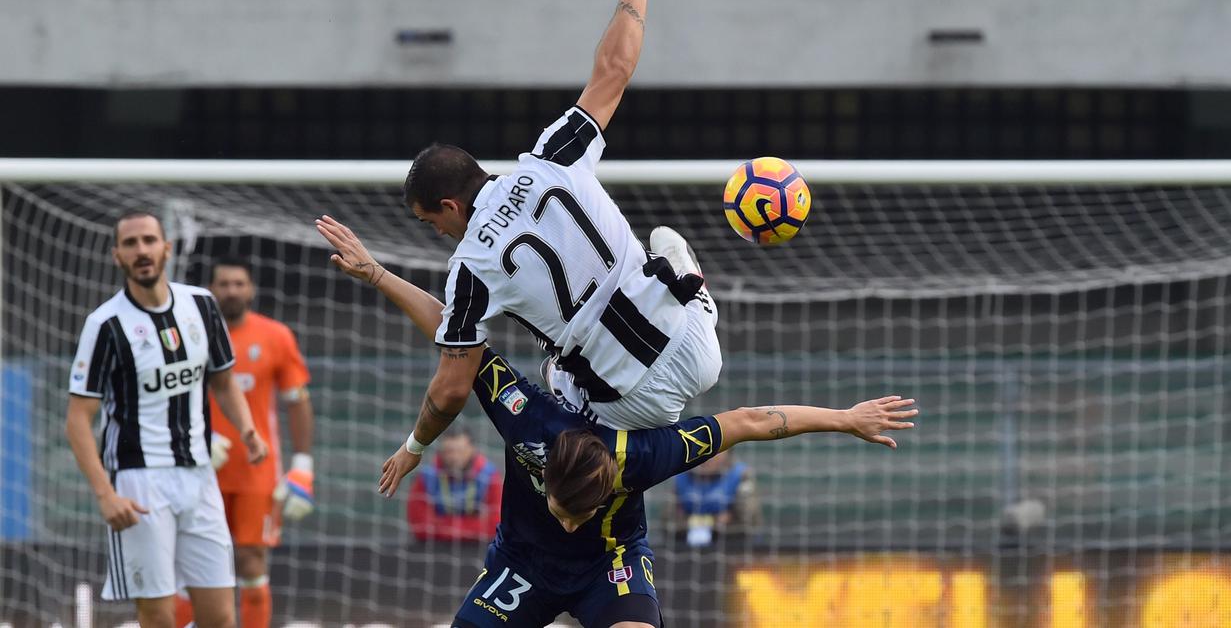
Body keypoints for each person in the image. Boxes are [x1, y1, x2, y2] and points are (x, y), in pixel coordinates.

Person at [316, 215, 919, 628]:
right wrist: (375, 272)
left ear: (609, 485)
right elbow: (455, 332)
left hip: (612, 563)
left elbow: (751, 422)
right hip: (524, 563)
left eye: (571, 512)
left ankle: (684, 294)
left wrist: (845, 418)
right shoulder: (529, 422)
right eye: (558, 503)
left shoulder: (642, 456)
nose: (565, 516)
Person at [393, 0, 720, 470]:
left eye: (432, 223)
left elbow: (452, 389)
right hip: (696, 348)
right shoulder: (553, 156)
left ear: (449, 206)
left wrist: (414, 447)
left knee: (553, 377)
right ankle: (690, 285)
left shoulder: (470, 267)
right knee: (662, 240)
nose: (439, 233)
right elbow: (614, 70)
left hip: (632, 407)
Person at [64, 210, 269, 628]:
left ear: (166, 248)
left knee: (220, 618)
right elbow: (77, 419)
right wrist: (106, 495)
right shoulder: (104, 325)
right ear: (117, 256)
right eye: (131, 243)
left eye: (149, 240)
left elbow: (224, 381)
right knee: (158, 617)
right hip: (140, 483)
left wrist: (247, 428)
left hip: (199, 476)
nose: (142, 250)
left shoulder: (201, 305)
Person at [175, 257, 315, 628]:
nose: (232, 290)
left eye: (239, 283)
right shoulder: (191, 335)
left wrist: (303, 465)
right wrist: (200, 435)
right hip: (199, 466)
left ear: (251, 289)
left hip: (258, 469)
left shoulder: (275, 336)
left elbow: (297, 400)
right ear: (211, 291)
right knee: (190, 559)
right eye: (224, 283)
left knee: (251, 557)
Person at [406, 424, 502, 542]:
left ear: (472, 449)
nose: (454, 457)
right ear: (440, 451)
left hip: (478, 549)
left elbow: (495, 525)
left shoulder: (489, 476)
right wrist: (474, 526)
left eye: (460, 451)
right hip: (435, 548)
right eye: (449, 451)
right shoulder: (426, 476)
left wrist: (440, 525)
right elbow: (420, 526)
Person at [665, 449, 761, 547]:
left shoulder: (740, 475)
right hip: (685, 547)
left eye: (716, 450)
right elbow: (668, 522)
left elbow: (748, 523)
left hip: (733, 546)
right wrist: (716, 520)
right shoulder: (680, 475)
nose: (708, 456)